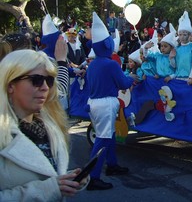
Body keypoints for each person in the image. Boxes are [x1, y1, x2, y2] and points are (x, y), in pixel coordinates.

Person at [0, 49, 86, 201]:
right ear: (10, 85)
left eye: (49, 80)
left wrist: (67, 180)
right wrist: (48, 189)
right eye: (36, 80)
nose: (45, 87)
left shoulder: (50, 127)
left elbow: (46, 173)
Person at [85, 12, 134, 190]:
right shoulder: (110, 64)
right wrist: (132, 79)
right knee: (103, 140)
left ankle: (112, 165)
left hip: (95, 103)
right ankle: (93, 176)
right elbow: (122, 83)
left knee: (109, 135)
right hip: (105, 104)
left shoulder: (93, 64)